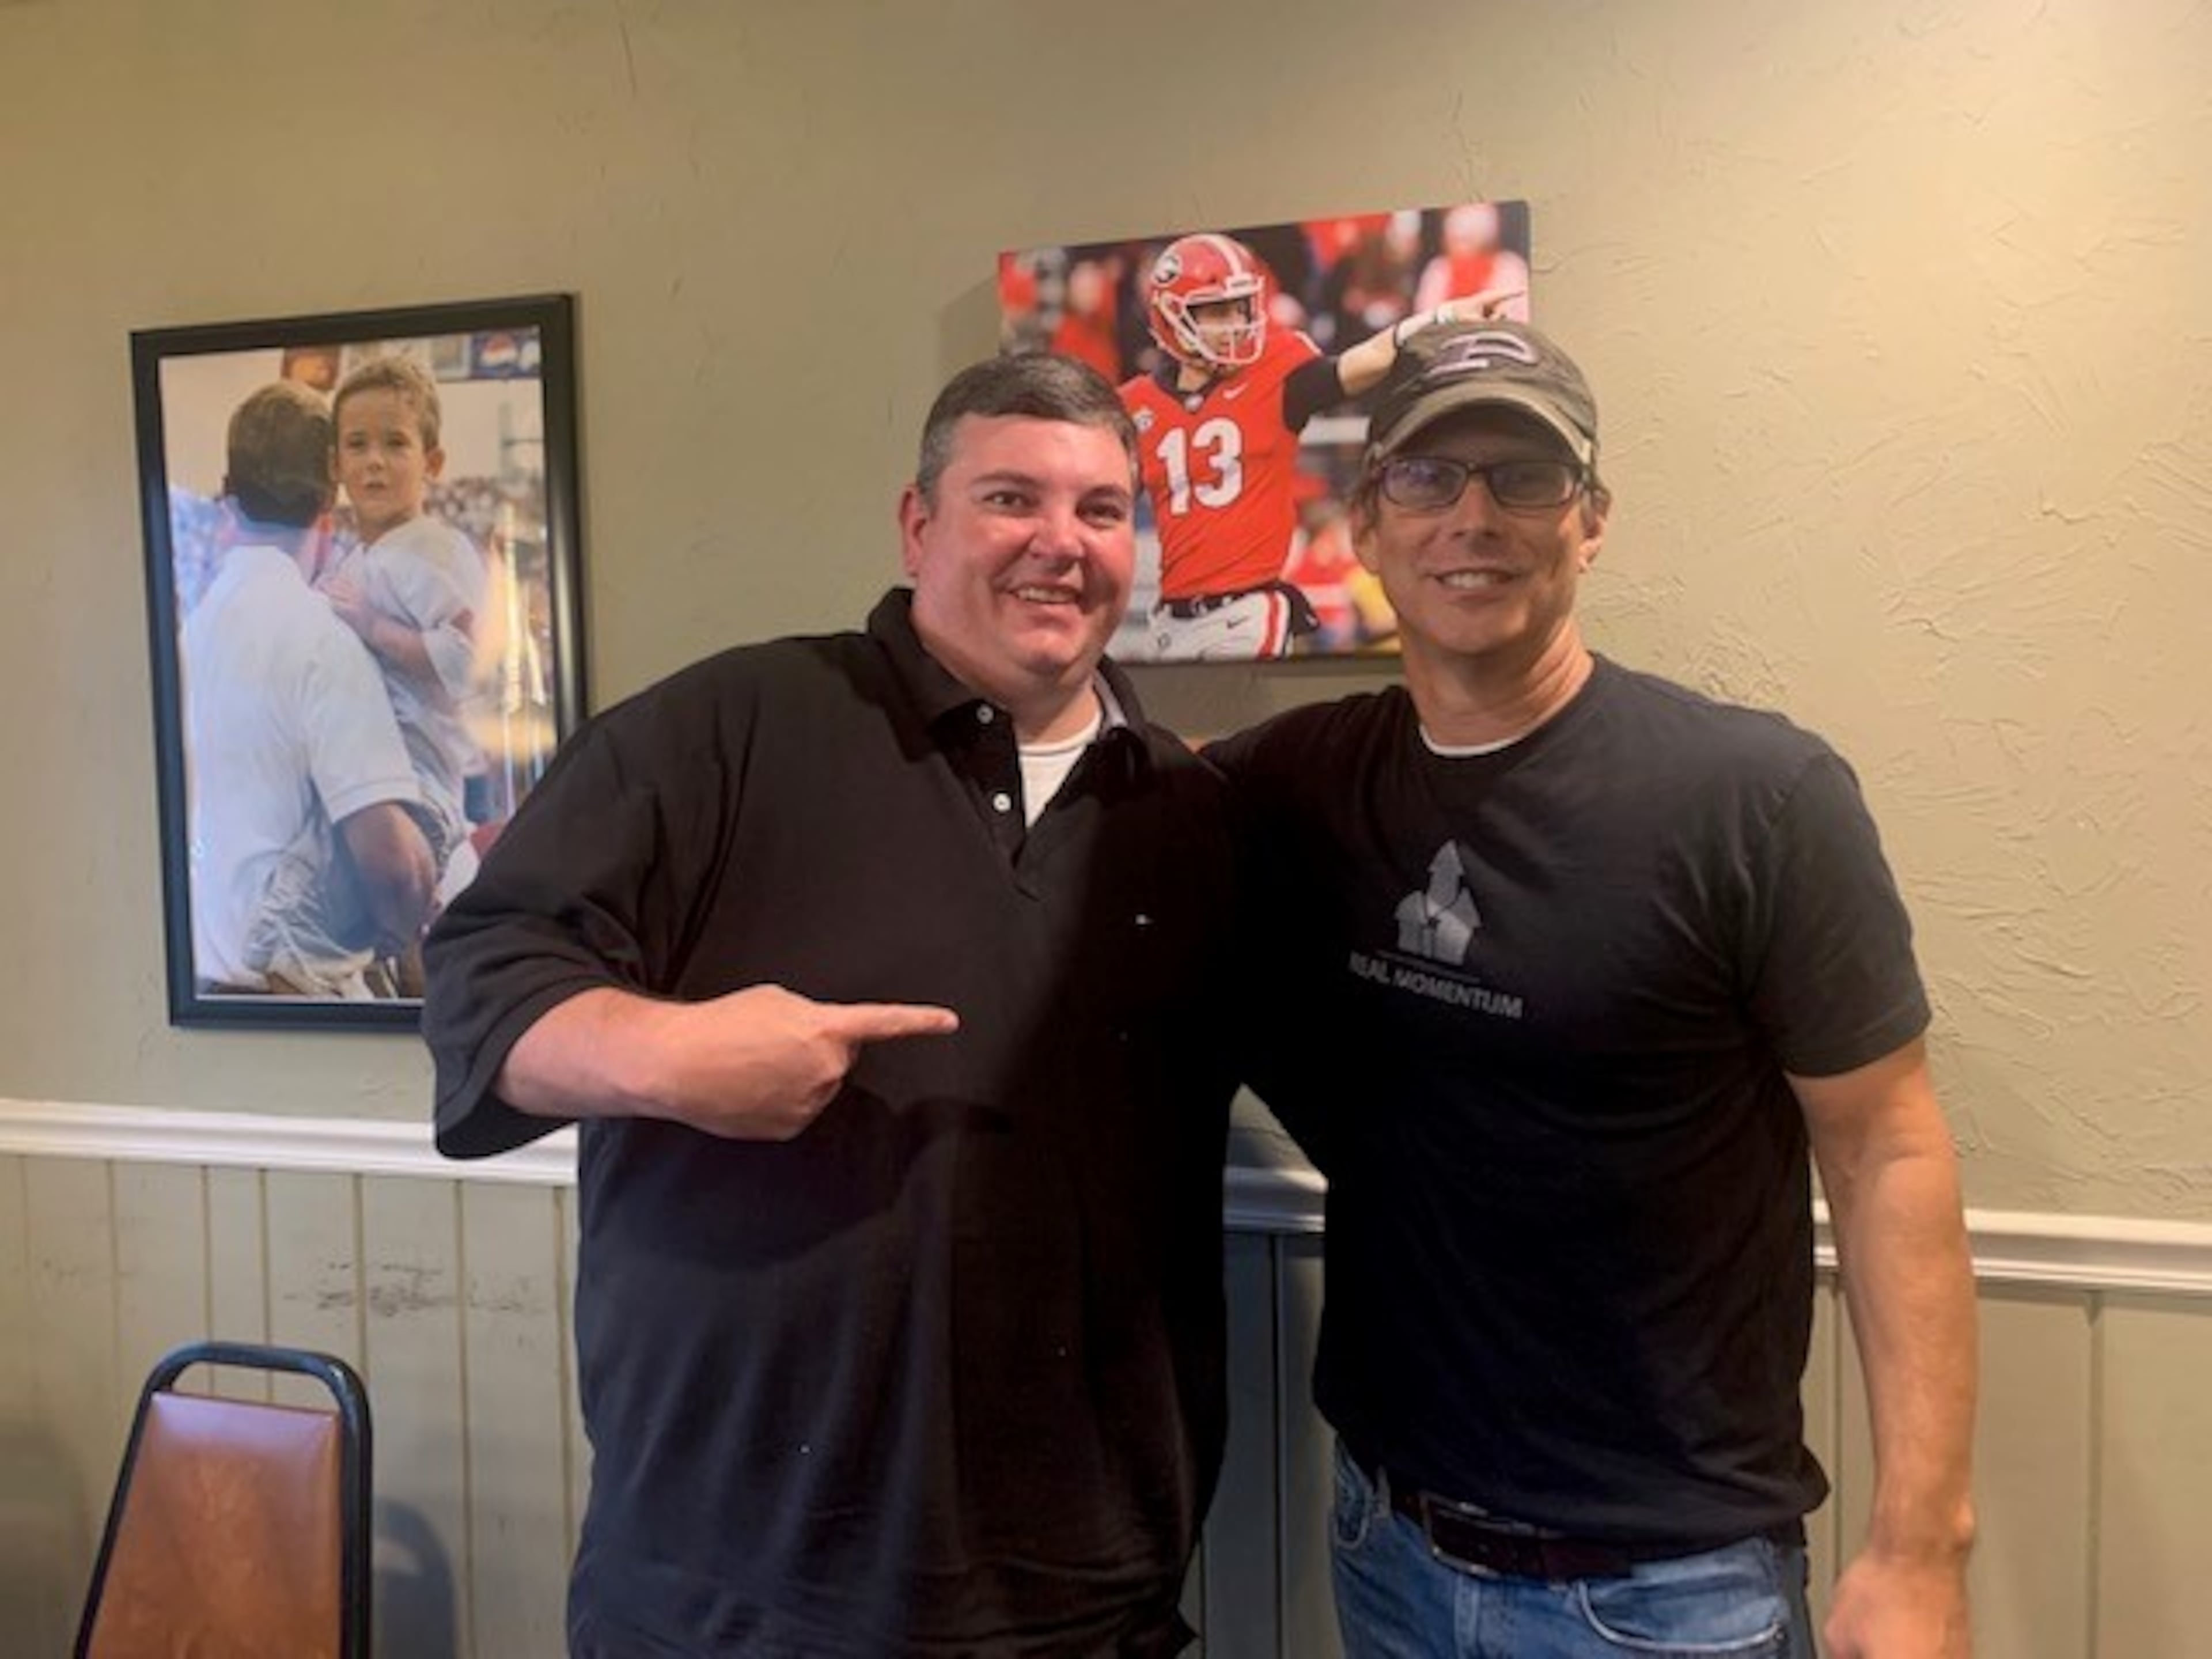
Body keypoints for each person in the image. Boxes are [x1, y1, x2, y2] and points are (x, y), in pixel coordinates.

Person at [422, 354, 1242, 1656]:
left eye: (1100, 510)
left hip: (1083, 1588)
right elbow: (480, 979)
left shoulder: (1192, 816)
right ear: (918, 524)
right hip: (726, 1582)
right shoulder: (726, 729)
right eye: (1009, 499)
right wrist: (665, 1053)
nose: (1060, 544)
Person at [1209, 320, 1976, 1658]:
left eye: (1523, 477)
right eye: (1427, 479)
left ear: (1592, 520)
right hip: (1381, 1541)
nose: (1472, 519)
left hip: (1661, 1592)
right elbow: (1089, 809)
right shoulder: (1301, 781)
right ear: (1363, 524)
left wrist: (1919, 1545)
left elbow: (1883, 1144)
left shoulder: (1753, 798)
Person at [1119, 229, 1521, 662]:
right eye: (1216, 311)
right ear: (1170, 315)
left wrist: (1439, 319)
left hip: (1246, 614)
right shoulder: (1134, 404)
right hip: (1169, 621)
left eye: (1240, 308)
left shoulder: (1274, 367)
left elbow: (1361, 362)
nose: (1235, 324)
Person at [183, 381, 437, 996]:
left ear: (228, 493)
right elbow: (392, 861)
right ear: (332, 494)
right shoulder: (322, 638)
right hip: (296, 1001)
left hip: (204, 996)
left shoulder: (192, 629)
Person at [321, 354, 491, 899]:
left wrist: (376, 628)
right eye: (358, 444)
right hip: (372, 781)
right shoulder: (358, 559)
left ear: (432, 462)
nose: (375, 462)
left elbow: (467, 657)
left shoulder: (436, 549)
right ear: (335, 465)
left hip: (424, 793)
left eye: (395, 443)